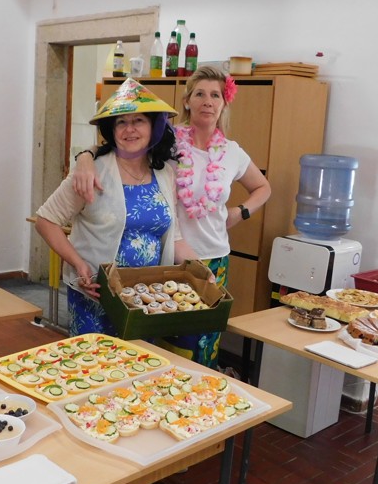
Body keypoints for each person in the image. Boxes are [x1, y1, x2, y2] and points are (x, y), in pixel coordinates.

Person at [72, 65, 271, 367]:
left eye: (215, 95)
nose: (207, 101)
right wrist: (84, 158)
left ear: (224, 103)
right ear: (187, 101)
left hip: (213, 257)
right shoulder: (168, 142)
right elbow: (119, 145)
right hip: (168, 256)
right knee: (163, 340)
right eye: (200, 94)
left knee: (203, 342)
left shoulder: (232, 152)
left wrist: (239, 212)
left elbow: (263, 187)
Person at [35, 78, 198, 337]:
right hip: (97, 297)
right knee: (95, 361)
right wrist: (78, 264)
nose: (129, 129)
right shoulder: (91, 172)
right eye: (121, 122)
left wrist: (199, 269)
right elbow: (46, 220)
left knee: (141, 360)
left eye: (138, 121)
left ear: (153, 126)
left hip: (146, 299)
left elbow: (174, 236)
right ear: (112, 129)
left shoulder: (164, 173)